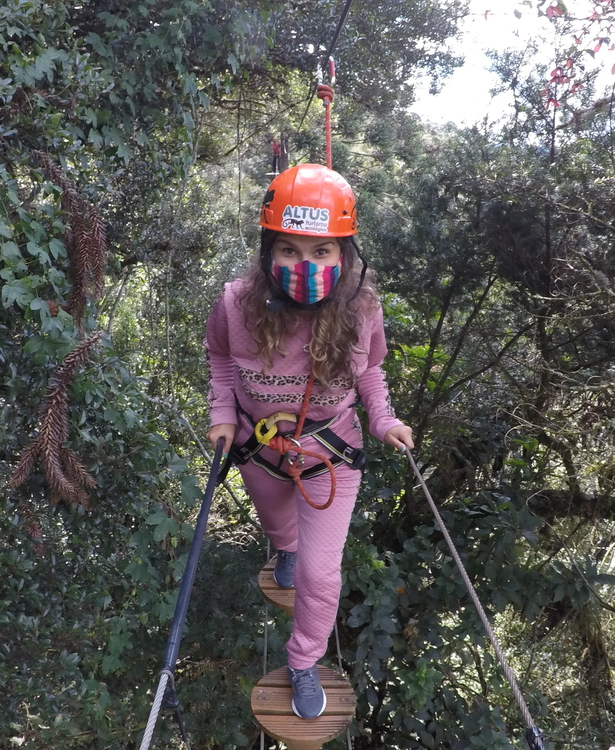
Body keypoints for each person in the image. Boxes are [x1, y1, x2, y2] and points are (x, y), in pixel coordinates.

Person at [205, 163, 414, 719]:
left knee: (320, 575)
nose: (306, 266)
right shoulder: (235, 304)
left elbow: (371, 371)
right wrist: (222, 413)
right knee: (279, 528)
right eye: (289, 250)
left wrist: (384, 420)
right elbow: (220, 357)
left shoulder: (362, 310)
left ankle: (303, 661)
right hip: (258, 448)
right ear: (267, 251)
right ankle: (286, 548)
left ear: (344, 255)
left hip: (330, 454)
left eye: (321, 252)